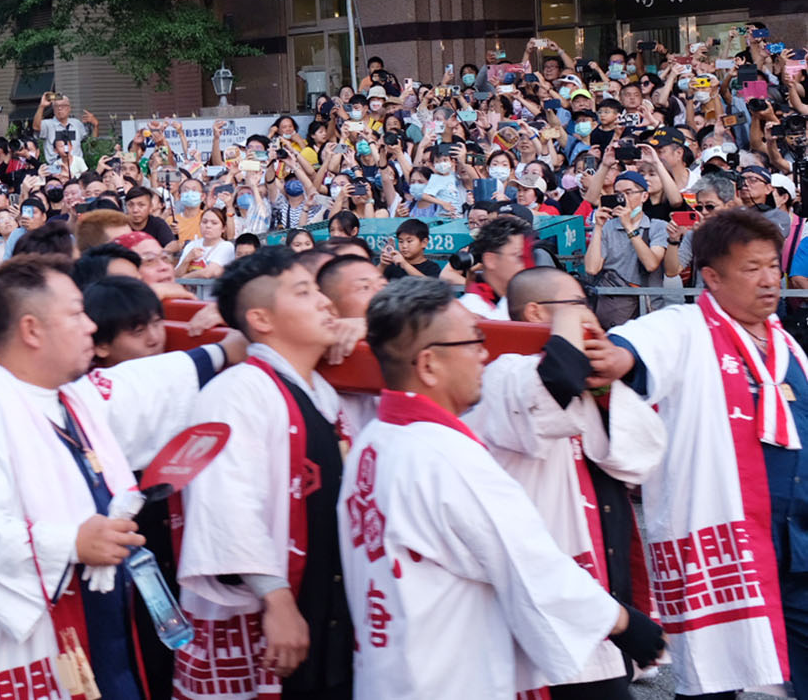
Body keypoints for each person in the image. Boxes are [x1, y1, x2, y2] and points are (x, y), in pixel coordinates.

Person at [0, 258, 233, 700]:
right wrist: (72, 543)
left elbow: (148, 385)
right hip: (30, 645)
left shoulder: (73, 398)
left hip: (104, 629)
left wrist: (225, 347)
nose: (90, 326)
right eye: (76, 314)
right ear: (31, 330)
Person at [341, 278, 663, 697]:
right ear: (429, 364)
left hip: (391, 668)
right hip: (446, 676)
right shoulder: (445, 454)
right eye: (473, 342)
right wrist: (623, 622)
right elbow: (527, 561)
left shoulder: (373, 440)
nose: (484, 354)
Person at [594, 207, 808, 696]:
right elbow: (633, 349)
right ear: (711, 277)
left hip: (796, 542)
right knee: (713, 678)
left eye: (772, 265)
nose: (769, 279)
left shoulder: (788, 346)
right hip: (726, 541)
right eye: (751, 268)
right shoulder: (685, 327)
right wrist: (616, 357)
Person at [467, 267, 664, 699]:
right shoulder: (503, 371)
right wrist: (571, 335)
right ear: (537, 313)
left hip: (598, 581)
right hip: (548, 587)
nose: (589, 314)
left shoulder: (586, 374)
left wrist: (607, 388)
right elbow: (552, 385)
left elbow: (639, 458)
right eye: (578, 305)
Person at [177, 247, 354, 700]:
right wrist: (276, 598)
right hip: (279, 611)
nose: (325, 302)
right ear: (261, 318)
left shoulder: (324, 391)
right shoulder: (235, 393)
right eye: (304, 292)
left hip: (329, 606)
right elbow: (225, 502)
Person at [584, 171, 667, 327]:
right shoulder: (608, 227)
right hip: (613, 309)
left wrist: (629, 227)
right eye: (617, 194)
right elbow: (591, 268)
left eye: (628, 193)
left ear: (644, 196)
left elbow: (651, 264)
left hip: (649, 309)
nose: (622, 199)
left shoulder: (658, 226)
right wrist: (598, 227)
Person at [458, 214, 531, 320]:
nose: (525, 265)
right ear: (490, 260)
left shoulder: (528, 303)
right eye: (519, 257)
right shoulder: (469, 311)